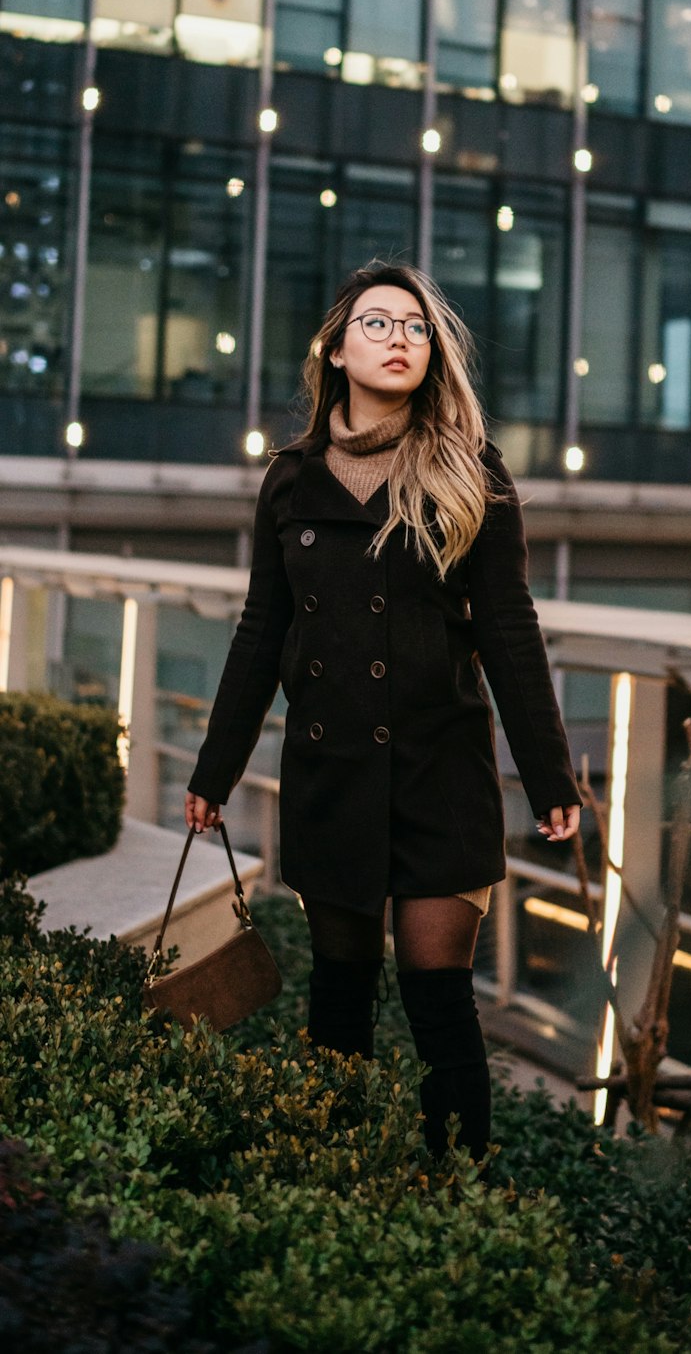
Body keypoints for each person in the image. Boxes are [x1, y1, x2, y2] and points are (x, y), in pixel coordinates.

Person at [185, 260, 581, 1164]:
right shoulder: (289, 480)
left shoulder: (470, 472)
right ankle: (335, 1181)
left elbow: (510, 632)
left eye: (415, 326)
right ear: (336, 346)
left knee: (440, 999)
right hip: (332, 773)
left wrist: (549, 774)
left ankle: (457, 1192)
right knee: (339, 998)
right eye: (377, 322)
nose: (400, 338)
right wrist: (214, 771)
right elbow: (260, 632)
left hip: (442, 773)